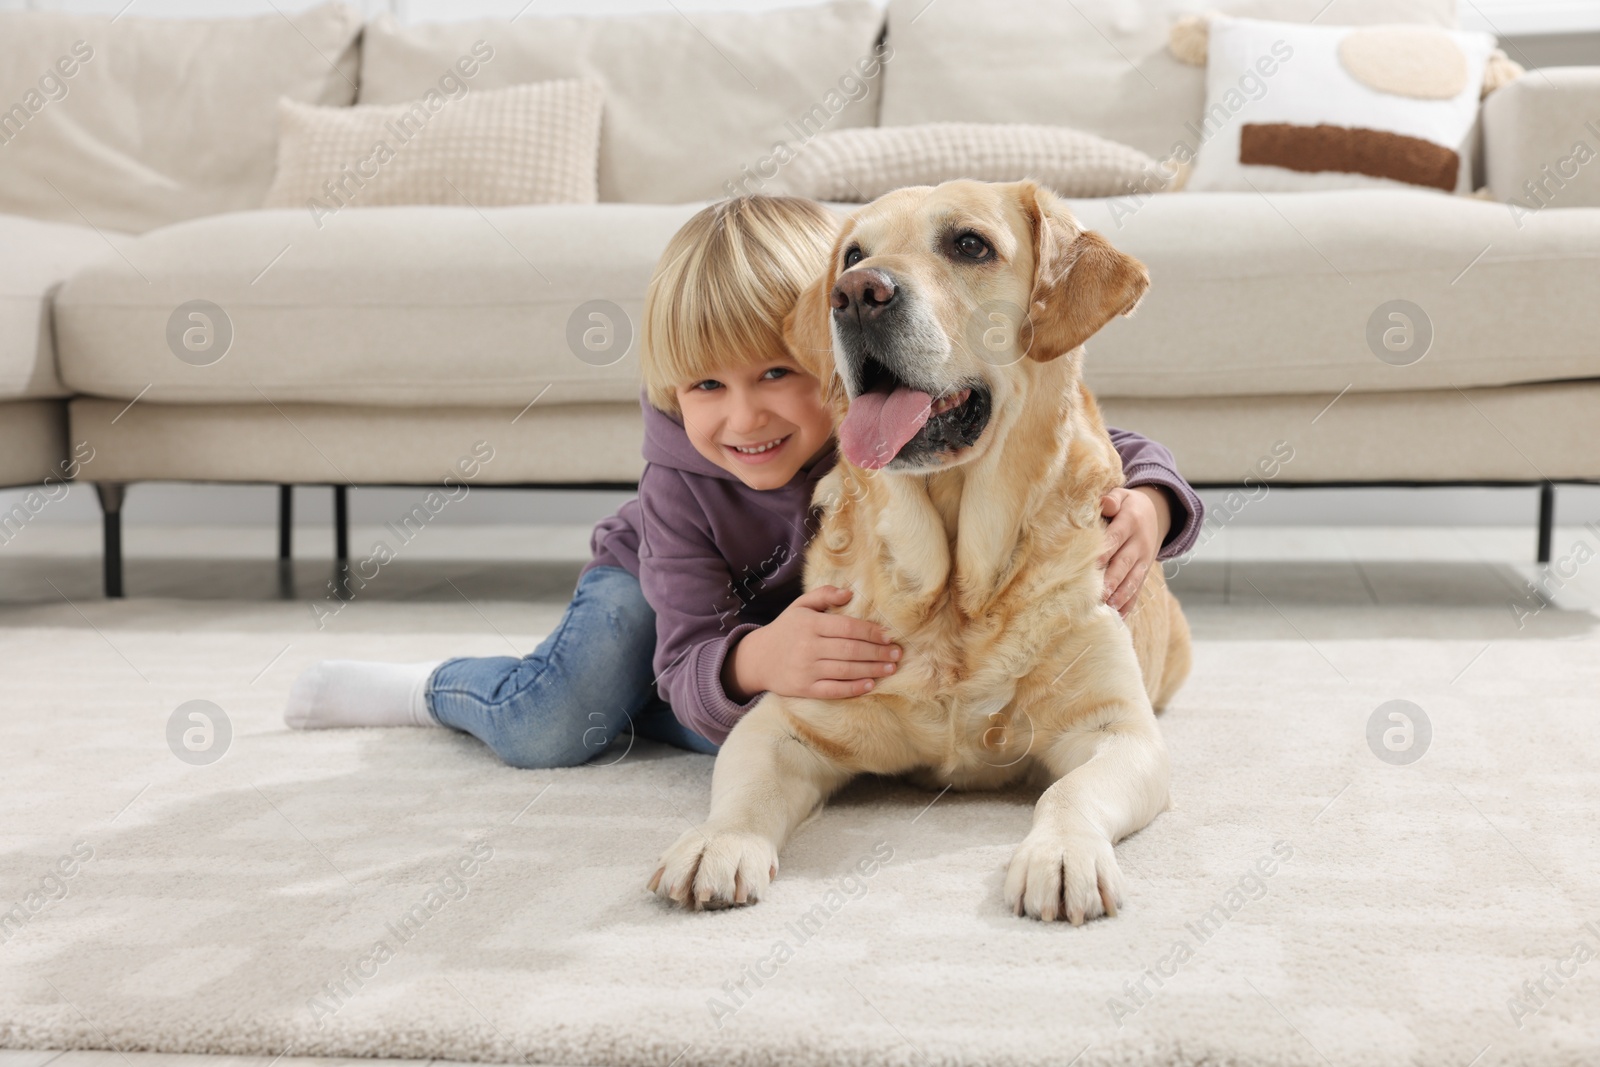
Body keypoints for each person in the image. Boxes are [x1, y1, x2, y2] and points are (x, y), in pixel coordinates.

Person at [285, 196, 1205, 767]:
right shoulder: (681, 491)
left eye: (778, 373)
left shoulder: (879, 418)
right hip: (662, 601)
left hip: (782, 627)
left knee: (760, 720)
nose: (746, 418)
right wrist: (748, 662)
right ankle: (431, 688)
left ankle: (655, 702)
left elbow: (1067, 433)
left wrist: (1155, 503)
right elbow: (695, 640)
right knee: (561, 722)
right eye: (705, 388)